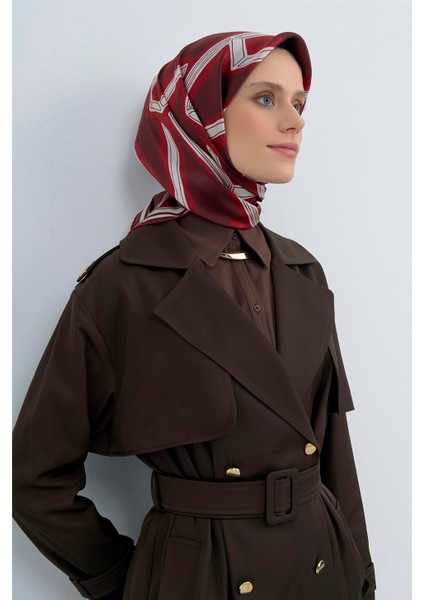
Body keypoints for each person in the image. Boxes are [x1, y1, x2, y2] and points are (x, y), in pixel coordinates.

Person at [12, 31, 376, 599]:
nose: (295, 121)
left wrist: (362, 578)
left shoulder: (303, 271)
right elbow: (33, 478)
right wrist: (131, 581)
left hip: (323, 570)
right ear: (199, 114)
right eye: (266, 98)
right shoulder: (125, 284)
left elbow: (335, 453)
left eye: (299, 102)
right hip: (205, 577)